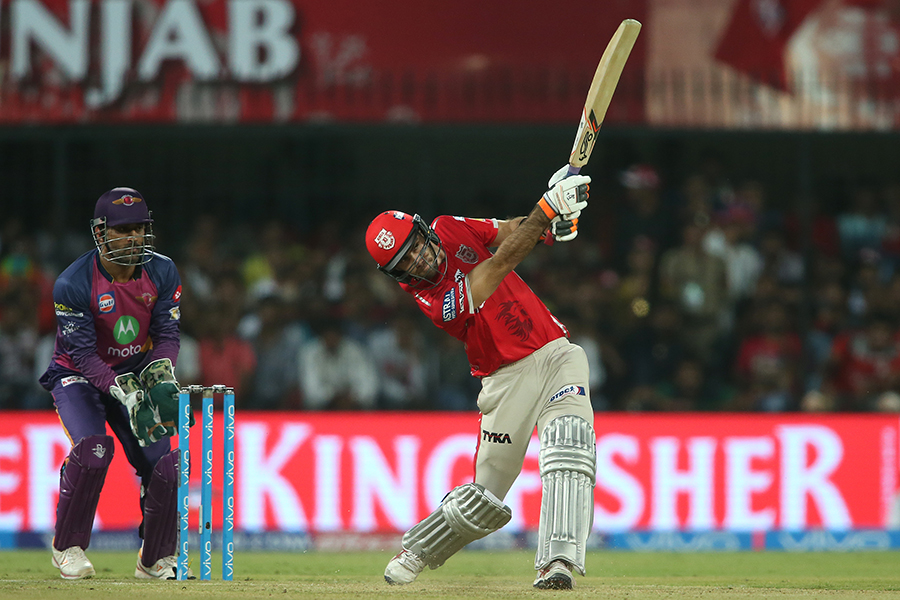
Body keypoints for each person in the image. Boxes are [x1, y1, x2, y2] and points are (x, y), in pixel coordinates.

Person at [365, 167, 594, 590]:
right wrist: (545, 210)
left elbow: (508, 233)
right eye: (405, 263)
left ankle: (557, 563)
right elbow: (500, 265)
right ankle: (416, 550)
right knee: (484, 500)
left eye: (415, 247)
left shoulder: (450, 227)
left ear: (423, 230)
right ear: (398, 276)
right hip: (505, 381)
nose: (419, 260)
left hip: (556, 355)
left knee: (569, 446)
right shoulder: (434, 300)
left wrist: (552, 225)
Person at [38, 187, 189, 580]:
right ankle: (66, 548)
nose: (134, 238)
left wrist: (159, 373)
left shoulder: (162, 270)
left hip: (137, 371)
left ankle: (155, 558)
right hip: (78, 376)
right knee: (93, 451)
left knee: (165, 466)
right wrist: (123, 389)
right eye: (124, 230)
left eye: (140, 229)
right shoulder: (72, 284)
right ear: (101, 233)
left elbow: (168, 336)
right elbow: (85, 355)